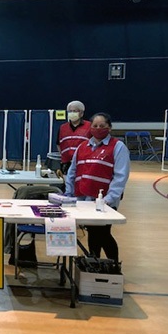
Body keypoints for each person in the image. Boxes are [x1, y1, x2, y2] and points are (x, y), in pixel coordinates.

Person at [65, 112, 130, 266]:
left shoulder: (118, 146)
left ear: (110, 128)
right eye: (95, 126)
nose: (98, 128)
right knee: (93, 233)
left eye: (102, 126)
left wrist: (108, 199)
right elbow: (72, 172)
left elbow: (121, 176)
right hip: (82, 200)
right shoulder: (82, 146)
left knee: (102, 234)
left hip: (104, 202)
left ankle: (113, 265)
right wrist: (69, 193)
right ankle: (94, 263)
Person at [57, 100, 92, 174]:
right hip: (66, 165)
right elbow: (58, 144)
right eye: (70, 111)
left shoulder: (90, 126)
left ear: (81, 113)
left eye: (75, 111)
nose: (72, 113)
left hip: (84, 164)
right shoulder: (62, 127)